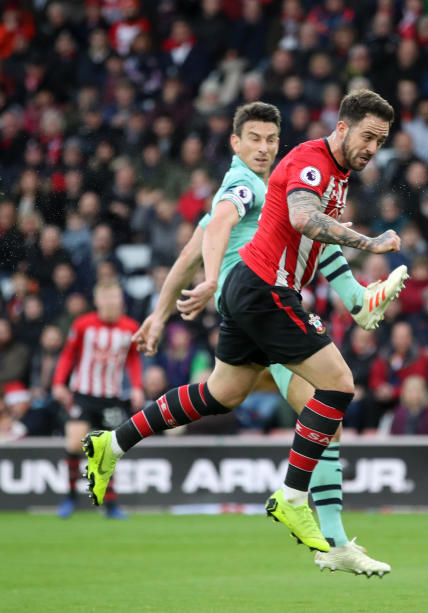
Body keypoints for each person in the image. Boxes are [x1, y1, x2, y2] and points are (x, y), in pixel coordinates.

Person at [83, 90, 402, 562]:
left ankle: (112, 443)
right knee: (336, 388)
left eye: (382, 140)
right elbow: (278, 222)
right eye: (369, 136)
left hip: (247, 293)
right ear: (341, 128)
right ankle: (299, 505)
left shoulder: (328, 175)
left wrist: (161, 310)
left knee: (222, 394)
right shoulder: (267, 176)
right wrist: (369, 244)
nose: (374, 147)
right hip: (264, 291)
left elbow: (303, 238)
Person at [53, 280, 143, 520]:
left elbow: (133, 359)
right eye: (109, 298)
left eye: (117, 298)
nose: (113, 303)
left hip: (110, 398)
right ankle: (70, 498)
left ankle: (111, 505)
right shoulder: (83, 325)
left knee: (108, 451)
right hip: (83, 394)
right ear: (98, 301)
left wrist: (136, 387)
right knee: (74, 445)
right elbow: (68, 354)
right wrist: (58, 383)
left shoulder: (130, 327)